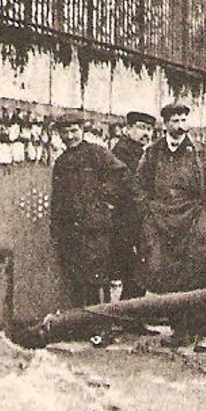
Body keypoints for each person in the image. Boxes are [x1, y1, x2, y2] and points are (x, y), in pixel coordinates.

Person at [136, 102, 206, 348]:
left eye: (184, 119)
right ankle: (179, 331)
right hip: (161, 222)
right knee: (167, 276)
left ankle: (202, 332)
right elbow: (139, 186)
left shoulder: (201, 152)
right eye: (175, 121)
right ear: (165, 124)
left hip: (194, 220)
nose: (180, 125)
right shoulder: (152, 152)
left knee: (197, 274)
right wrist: (149, 214)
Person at [50, 112, 133, 307]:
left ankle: (101, 326)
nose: (70, 136)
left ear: (82, 130)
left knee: (97, 278)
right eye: (65, 132)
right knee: (77, 279)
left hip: (95, 229)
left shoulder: (97, 153)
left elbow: (121, 175)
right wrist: (56, 228)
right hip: (71, 230)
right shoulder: (61, 162)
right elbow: (57, 199)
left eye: (74, 131)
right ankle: (83, 325)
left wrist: (103, 200)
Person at [109, 112, 156, 299]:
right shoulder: (122, 153)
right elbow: (128, 187)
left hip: (139, 218)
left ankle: (131, 317)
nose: (146, 133)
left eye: (149, 129)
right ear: (128, 129)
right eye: (141, 127)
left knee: (137, 269)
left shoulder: (145, 153)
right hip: (126, 220)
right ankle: (127, 317)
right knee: (132, 269)